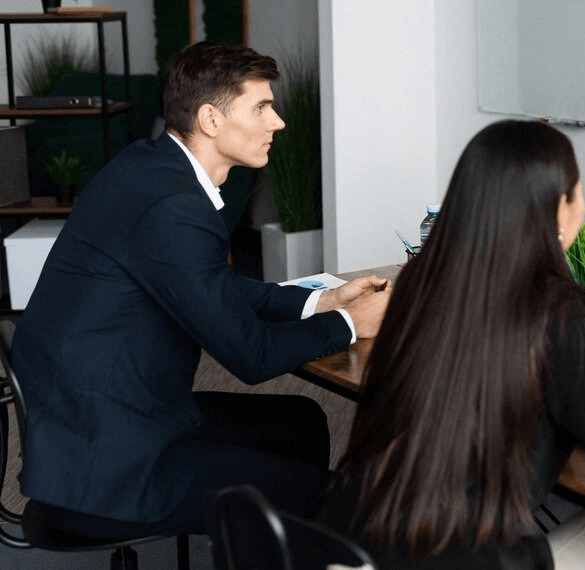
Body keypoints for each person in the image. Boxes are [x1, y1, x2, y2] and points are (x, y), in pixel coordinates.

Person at [316, 120, 585, 569]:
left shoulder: (417, 287)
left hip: (355, 540)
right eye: (578, 191)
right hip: (472, 558)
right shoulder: (560, 311)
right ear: (558, 210)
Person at [10, 41, 391, 539]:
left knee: (300, 422)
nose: (276, 122)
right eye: (262, 106)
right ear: (211, 119)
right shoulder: (174, 206)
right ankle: (289, 539)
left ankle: (270, 547)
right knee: (327, 496)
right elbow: (250, 357)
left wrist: (322, 300)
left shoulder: (148, 167)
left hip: (98, 419)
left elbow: (213, 286)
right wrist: (349, 324)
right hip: (110, 463)